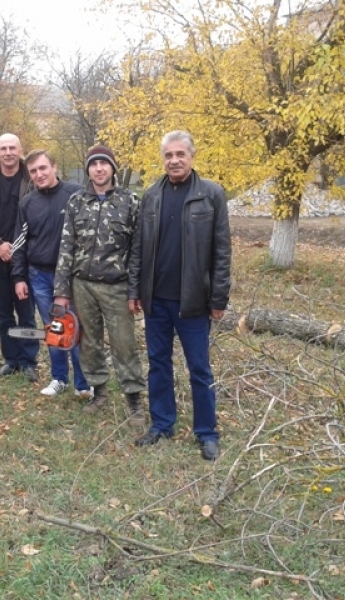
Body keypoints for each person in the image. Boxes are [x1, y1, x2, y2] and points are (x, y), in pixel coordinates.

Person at [128, 130, 232, 461]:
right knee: (158, 364)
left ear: (191, 156)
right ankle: (162, 424)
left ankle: (207, 432)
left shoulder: (211, 195)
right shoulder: (151, 196)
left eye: (180, 154)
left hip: (194, 302)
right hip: (156, 299)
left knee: (199, 368)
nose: (174, 160)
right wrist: (135, 290)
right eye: (168, 155)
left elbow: (222, 251)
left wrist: (218, 298)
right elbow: (138, 248)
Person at [53, 146, 146, 423]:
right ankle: (100, 391)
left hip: (117, 286)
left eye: (104, 164)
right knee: (90, 343)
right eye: (94, 165)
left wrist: (135, 290)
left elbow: (138, 250)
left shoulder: (130, 201)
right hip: (83, 285)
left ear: (113, 168)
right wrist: (61, 292)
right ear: (88, 170)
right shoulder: (76, 201)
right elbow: (66, 246)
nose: (99, 169)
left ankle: (134, 400)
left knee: (124, 344)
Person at [12, 150, 92, 398]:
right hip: (40, 276)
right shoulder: (27, 203)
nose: (39, 174)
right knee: (54, 329)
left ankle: (83, 382)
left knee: (76, 328)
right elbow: (19, 242)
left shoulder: (76, 194)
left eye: (43, 168)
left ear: (54, 167)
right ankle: (59, 378)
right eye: (34, 171)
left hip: (72, 274)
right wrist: (18, 277)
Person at [0, 134, 39, 381]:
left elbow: (37, 213)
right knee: (3, 312)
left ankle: (28, 360)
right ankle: (10, 358)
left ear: (20, 150)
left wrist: (18, 248)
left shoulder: (31, 176)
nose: (8, 152)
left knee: (26, 311)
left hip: (26, 255)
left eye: (13, 147)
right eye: (3, 148)